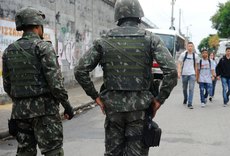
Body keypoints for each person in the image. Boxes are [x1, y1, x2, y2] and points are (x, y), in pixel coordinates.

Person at [74, 0, 178, 155]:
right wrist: (158, 100)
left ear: (118, 17)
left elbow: (80, 70)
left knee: (113, 153)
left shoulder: (104, 40)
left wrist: (95, 97)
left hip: (113, 110)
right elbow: (171, 72)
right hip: (140, 109)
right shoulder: (150, 39)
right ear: (139, 16)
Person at [2, 7, 74, 156]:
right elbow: (56, 85)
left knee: (25, 152)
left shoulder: (9, 50)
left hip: (20, 113)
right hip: (45, 112)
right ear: (37, 26)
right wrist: (67, 106)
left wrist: (21, 103)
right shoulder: (43, 47)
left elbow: (7, 86)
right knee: (53, 152)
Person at [177, 42, 199, 109]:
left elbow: (196, 66)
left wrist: (196, 75)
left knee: (191, 88)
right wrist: (179, 72)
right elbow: (179, 63)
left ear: (193, 47)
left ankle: (190, 103)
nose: (190, 47)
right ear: (187, 47)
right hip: (184, 74)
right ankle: (185, 98)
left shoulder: (195, 56)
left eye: (191, 46)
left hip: (192, 74)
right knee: (184, 88)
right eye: (189, 46)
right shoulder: (183, 54)